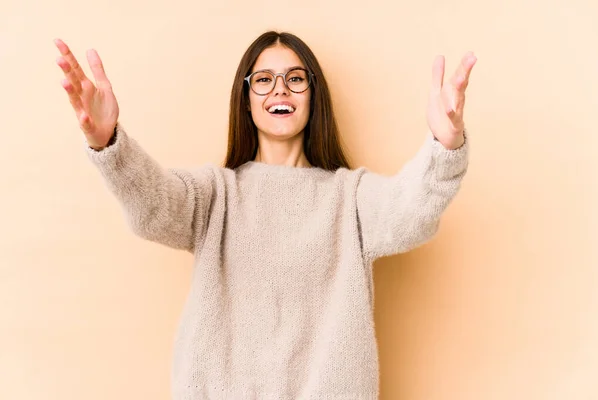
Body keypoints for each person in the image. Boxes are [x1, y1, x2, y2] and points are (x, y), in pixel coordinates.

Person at [54, 31, 476, 400]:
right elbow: (153, 206)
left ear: (314, 95)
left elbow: (409, 210)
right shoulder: (214, 195)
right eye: (263, 80)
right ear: (247, 98)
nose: (280, 91)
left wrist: (444, 143)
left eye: (295, 79)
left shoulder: (352, 199)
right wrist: (109, 142)